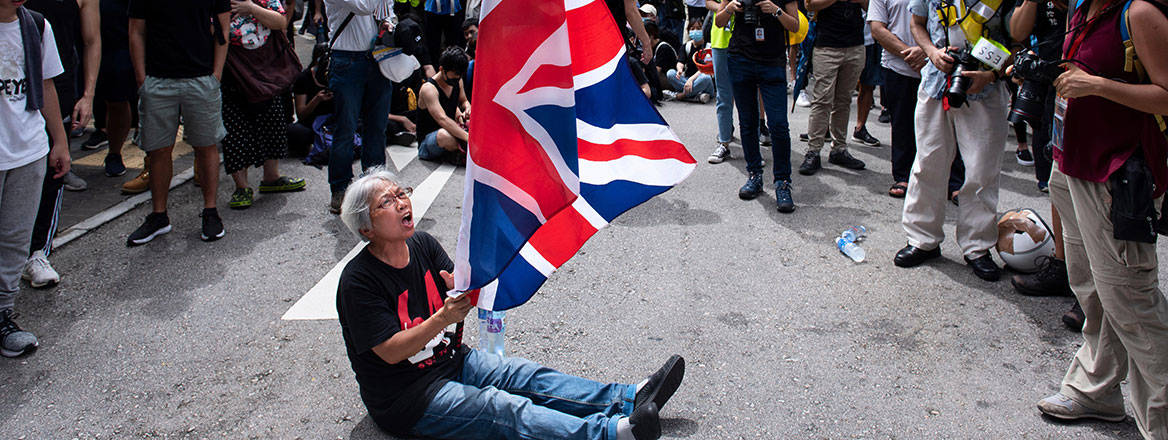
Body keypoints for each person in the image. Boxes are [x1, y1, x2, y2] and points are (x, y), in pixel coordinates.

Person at [336, 169, 685, 439]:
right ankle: (612, 433)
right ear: (366, 228)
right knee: (501, 408)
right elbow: (390, 351)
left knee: (524, 375)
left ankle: (627, 397)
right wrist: (443, 317)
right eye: (386, 202)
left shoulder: (423, 244)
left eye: (402, 194)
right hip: (406, 398)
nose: (401, 203)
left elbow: (459, 281)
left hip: (451, 360)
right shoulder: (359, 281)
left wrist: (476, 262)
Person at [1035, 0, 1168, 435]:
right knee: (1094, 289)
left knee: (1131, 301)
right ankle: (1097, 389)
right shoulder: (1082, 9)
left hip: (1116, 177)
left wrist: (1097, 86)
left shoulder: (1140, 13)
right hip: (1073, 165)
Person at [893, 0, 1014, 281]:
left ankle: (977, 246)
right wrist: (932, 52)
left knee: (982, 171)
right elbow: (917, 24)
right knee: (927, 164)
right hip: (937, 83)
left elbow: (1018, 39)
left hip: (986, 87)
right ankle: (922, 239)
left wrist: (991, 74)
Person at [125, 0, 230, 246]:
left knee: (206, 146)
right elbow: (136, 31)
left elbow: (223, 29)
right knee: (158, 150)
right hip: (158, 80)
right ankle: (158, 215)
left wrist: (215, 75)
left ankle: (211, 211)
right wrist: (142, 79)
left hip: (201, 78)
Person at [0, 1, 71, 357]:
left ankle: (2, 314)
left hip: (28, 150)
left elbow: (46, 85)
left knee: (15, 240)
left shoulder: (36, 26)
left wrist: (58, 141)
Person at [21, 0, 98, 288]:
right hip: (13, 97)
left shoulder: (41, 23)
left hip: (58, 88)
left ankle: (37, 252)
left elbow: (92, 40)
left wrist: (88, 94)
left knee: (52, 173)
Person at [868, 0, 965, 199]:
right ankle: (903, 176)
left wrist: (927, 51)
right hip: (898, 66)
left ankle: (954, 182)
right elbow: (877, 28)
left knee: (952, 127)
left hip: (942, 67)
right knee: (902, 124)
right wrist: (911, 53)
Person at [715, 0, 802, 212]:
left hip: (772, 62)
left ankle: (782, 182)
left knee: (779, 125)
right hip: (740, 59)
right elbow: (718, 21)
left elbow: (795, 26)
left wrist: (776, 10)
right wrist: (730, 8)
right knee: (747, 122)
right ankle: (754, 175)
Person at [220, 0, 306, 210]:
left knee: (272, 123)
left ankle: (271, 177)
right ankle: (241, 187)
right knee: (235, 130)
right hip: (234, 72)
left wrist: (251, 8)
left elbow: (280, 21)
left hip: (266, 69)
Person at [323, 0, 395, 214]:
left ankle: (376, 187)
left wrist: (388, 23)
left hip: (377, 56)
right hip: (346, 59)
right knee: (345, 128)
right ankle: (340, 188)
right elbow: (363, 5)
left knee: (376, 128)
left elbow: (387, 8)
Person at [797, 0, 868, 175]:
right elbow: (809, 5)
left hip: (855, 45)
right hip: (826, 45)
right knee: (822, 100)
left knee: (844, 101)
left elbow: (870, 7)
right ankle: (813, 151)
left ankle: (839, 150)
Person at [416, 47, 470, 165]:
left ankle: (459, 151)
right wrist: (468, 137)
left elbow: (463, 100)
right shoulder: (429, 89)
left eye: (459, 77)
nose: (456, 80)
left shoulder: (457, 80)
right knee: (444, 135)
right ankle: (461, 152)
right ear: (441, 69)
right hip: (429, 141)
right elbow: (442, 119)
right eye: (454, 76)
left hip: (453, 129)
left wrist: (467, 108)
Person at [705, 0, 737, 164]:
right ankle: (724, 142)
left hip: (746, 41)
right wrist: (725, 8)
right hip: (720, 41)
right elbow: (708, 3)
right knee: (724, 96)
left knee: (748, 95)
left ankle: (752, 147)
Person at [663, 18, 714, 103]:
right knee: (670, 73)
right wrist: (679, 70)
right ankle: (695, 96)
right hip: (687, 80)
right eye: (692, 28)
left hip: (702, 81)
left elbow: (704, 70)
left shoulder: (709, 47)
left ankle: (679, 96)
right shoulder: (686, 46)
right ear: (688, 31)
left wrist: (691, 80)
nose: (695, 31)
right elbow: (680, 62)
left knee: (706, 78)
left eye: (698, 28)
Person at [852, 18, 883, 146]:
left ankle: (860, 128)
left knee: (868, 85)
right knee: (836, 87)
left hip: (870, 39)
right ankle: (825, 128)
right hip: (843, 39)